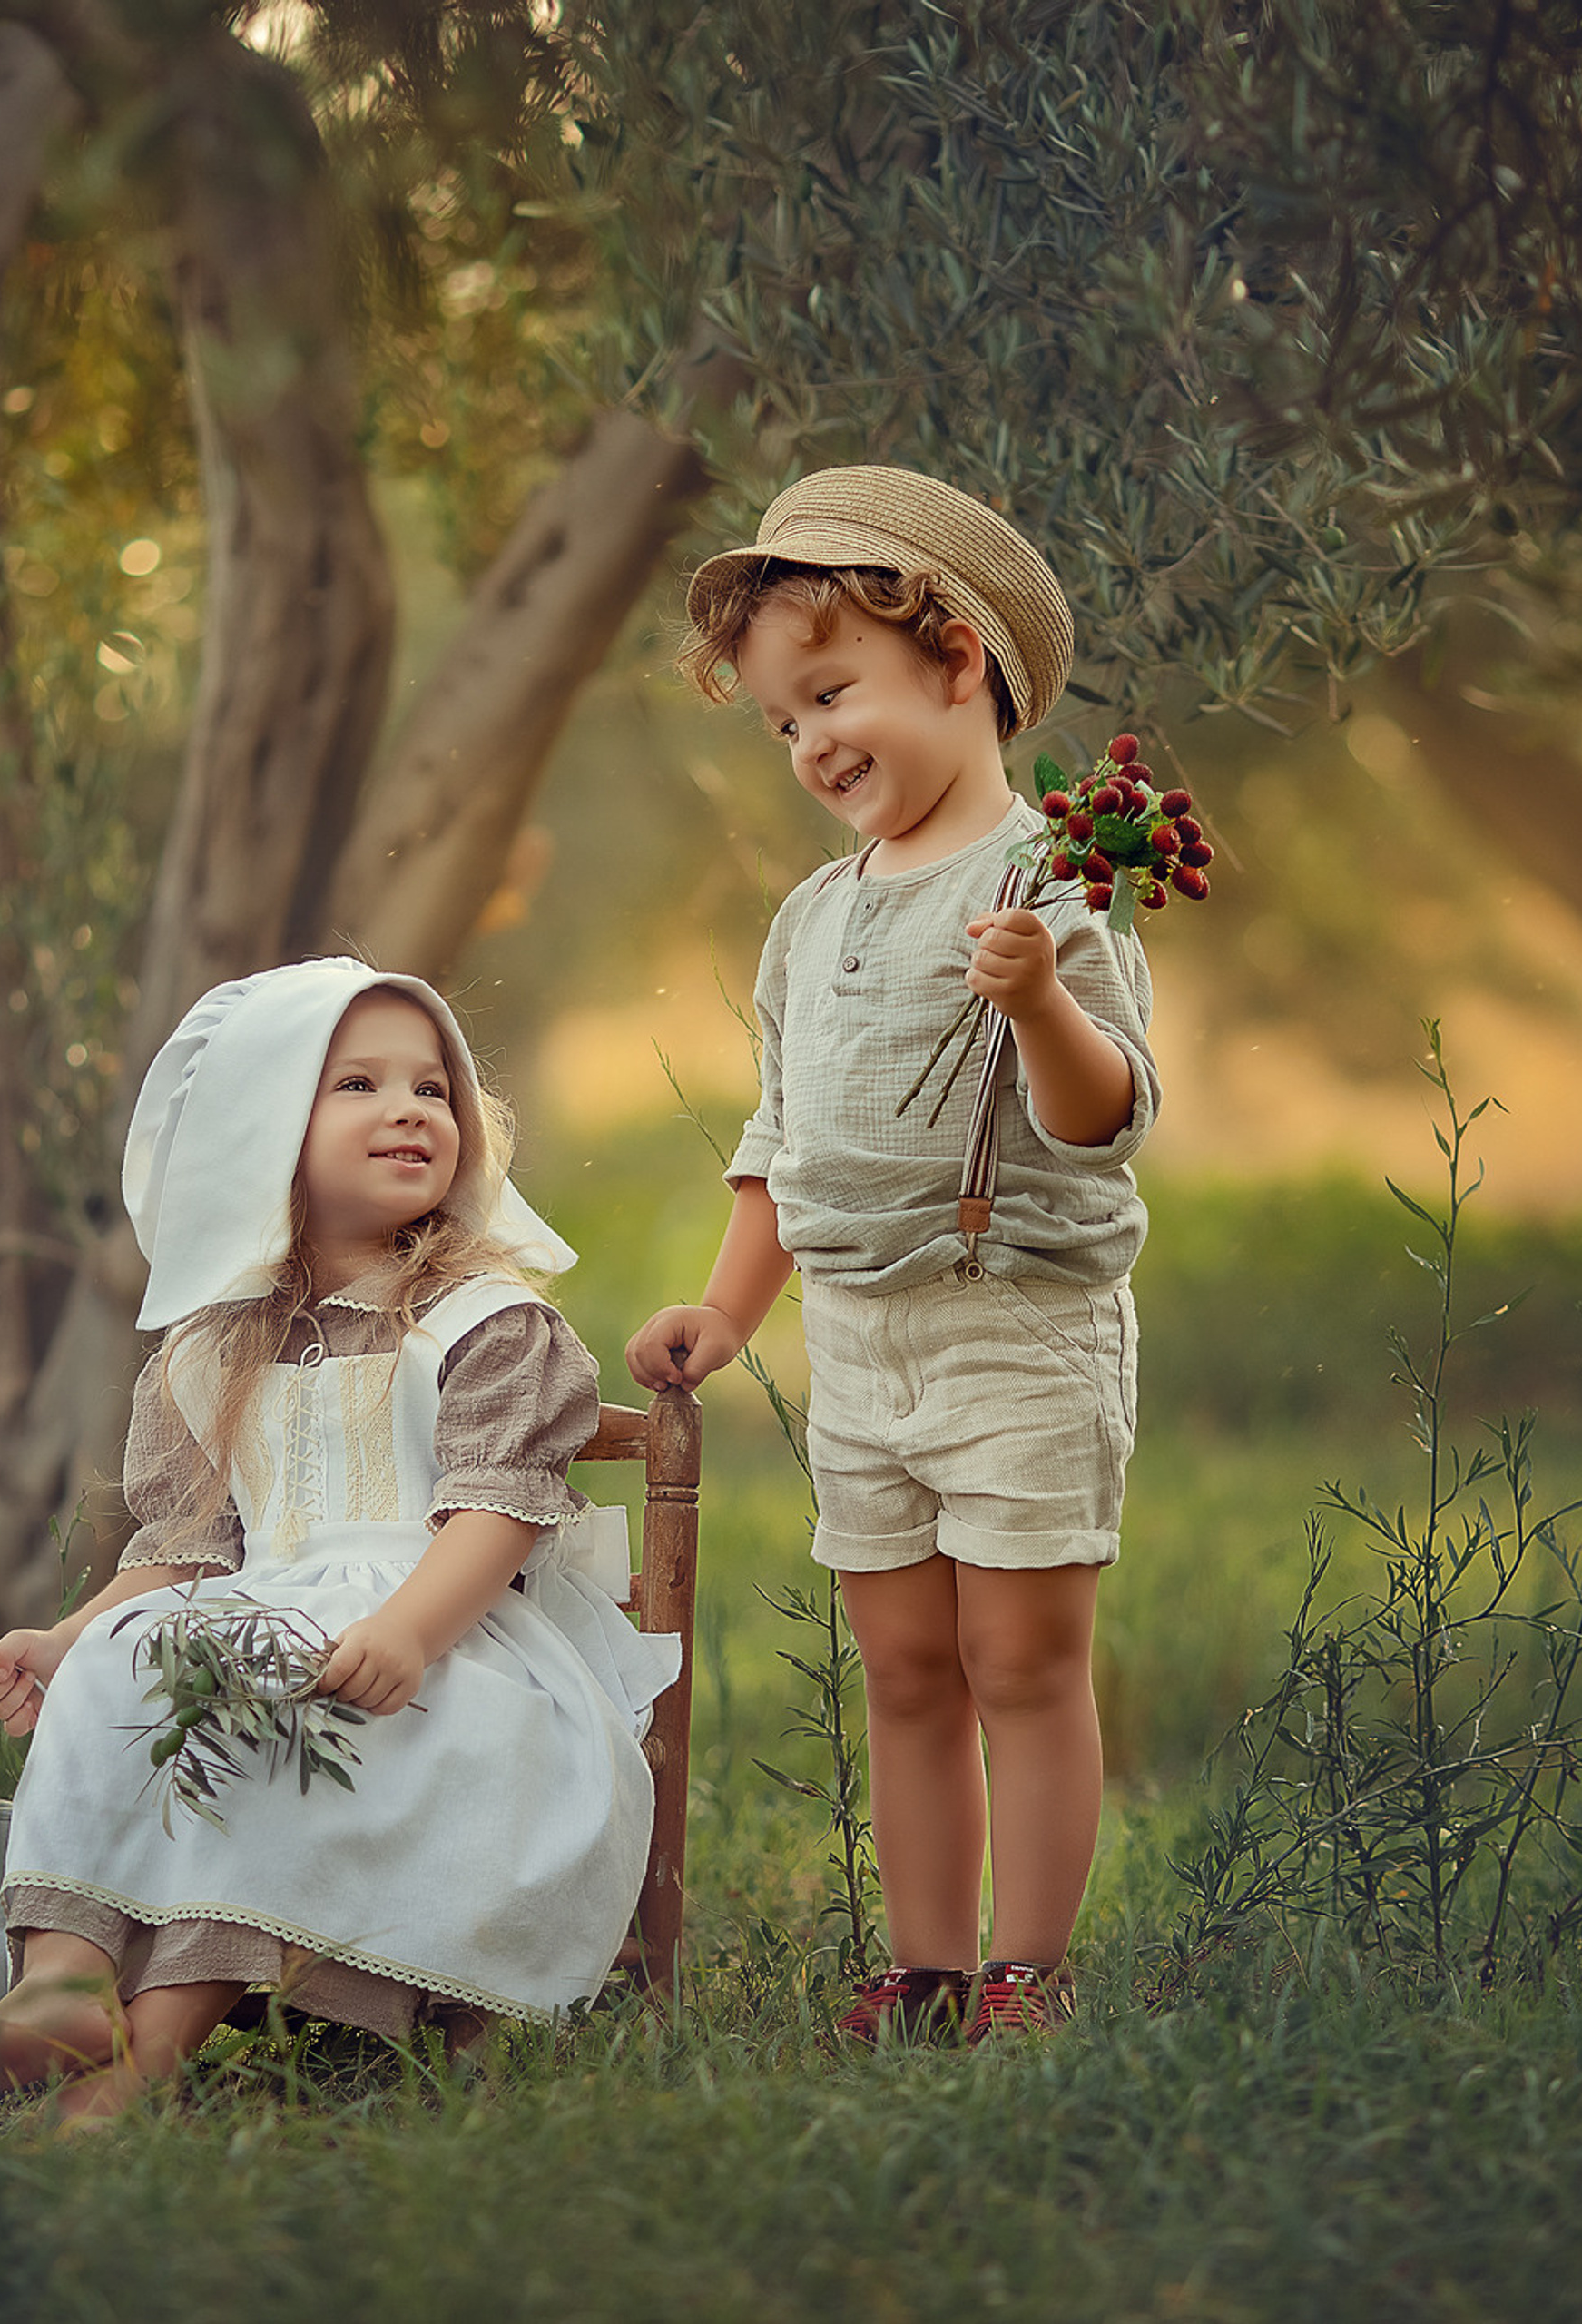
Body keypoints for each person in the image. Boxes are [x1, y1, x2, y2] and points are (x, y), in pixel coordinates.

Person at [0, 956, 677, 2122]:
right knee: (124, 1662)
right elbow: (181, 1551)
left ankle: (144, 2063)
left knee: (270, 1707)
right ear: (266, 1132)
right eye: (357, 1085)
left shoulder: (484, 1321)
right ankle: (65, 1972)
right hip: (259, 1614)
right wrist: (68, 1636)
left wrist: (407, 1626)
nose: (409, 1109)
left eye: (432, 1089)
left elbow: (492, 1515)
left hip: (448, 1646)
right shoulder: (206, 1351)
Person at [626, 468, 1158, 2045]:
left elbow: (1106, 1115)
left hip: (1019, 1330)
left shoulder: (1052, 872)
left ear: (957, 660)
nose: (810, 746)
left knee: (1021, 1654)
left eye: (833, 692)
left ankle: (1028, 1973)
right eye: (785, 721)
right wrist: (730, 1313)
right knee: (907, 1661)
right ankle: (926, 1969)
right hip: (861, 1347)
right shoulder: (813, 918)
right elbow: (781, 1136)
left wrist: (1040, 1002)